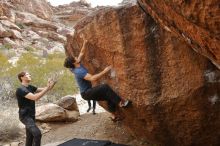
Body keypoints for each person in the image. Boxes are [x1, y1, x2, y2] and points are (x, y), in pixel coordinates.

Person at [64, 34, 131, 121]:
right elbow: (92, 78)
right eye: (74, 58)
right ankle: (122, 103)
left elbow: (82, 53)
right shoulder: (79, 71)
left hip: (88, 92)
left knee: (109, 96)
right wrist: (105, 71)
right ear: (74, 62)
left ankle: (113, 116)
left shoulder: (76, 64)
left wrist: (85, 42)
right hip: (86, 93)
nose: (76, 57)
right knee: (104, 87)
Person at [16, 71, 56, 146]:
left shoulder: (30, 87)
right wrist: (47, 87)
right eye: (27, 74)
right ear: (22, 77)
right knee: (37, 134)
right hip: (25, 116)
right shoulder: (20, 89)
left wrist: (52, 83)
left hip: (31, 115)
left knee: (30, 137)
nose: (29, 75)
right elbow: (35, 97)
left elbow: (46, 89)